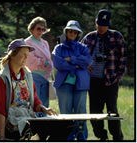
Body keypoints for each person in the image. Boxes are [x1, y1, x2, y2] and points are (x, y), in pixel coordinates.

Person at [0, 38, 56, 141]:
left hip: (28, 117)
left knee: (62, 127)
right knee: (42, 130)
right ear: (12, 54)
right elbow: (0, 110)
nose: (26, 57)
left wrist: (43, 108)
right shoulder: (1, 79)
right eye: (23, 54)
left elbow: (34, 99)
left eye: (27, 54)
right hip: (11, 124)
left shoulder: (27, 75)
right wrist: (1, 136)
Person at [81, 9, 126, 141]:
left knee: (112, 111)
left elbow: (123, 59)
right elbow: (81, 57)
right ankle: (102, 137)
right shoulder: (89, 37)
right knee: (95, 113)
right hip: (93, 81)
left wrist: (117, 77)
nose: (102, 27)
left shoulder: (117, 36)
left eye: (104, 24)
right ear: (96, 23)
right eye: (99, 24)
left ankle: (117, 137)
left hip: (111, 80)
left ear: (108, 24)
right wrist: (85, 66)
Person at [52, 20, 92, 140]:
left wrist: (71, 59)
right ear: (66, 31)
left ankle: (81, 137)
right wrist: (76, 65)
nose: (72, 33)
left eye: (75, 32)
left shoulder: (83, 47)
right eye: (70, 31)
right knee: (65, 112)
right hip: (64, 84)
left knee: (81, 112)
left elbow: (87, 61)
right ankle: (66, 138)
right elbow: (58, 63)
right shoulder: (59, 47)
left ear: (78, 33)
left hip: (81, 84)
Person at [25, 17, 53, 116]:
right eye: (38, 28)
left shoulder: (45, 42)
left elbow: (49, 58)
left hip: (45, 77)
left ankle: (44, 128)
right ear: (32, 29)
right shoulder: (27, 42)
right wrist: (43, 62)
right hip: (33, 76)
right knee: (35, 103)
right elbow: (29, 59)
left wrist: (48, 63)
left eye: (43, 29)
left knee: (45, 104)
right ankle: (35, 127)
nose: (41, 31)